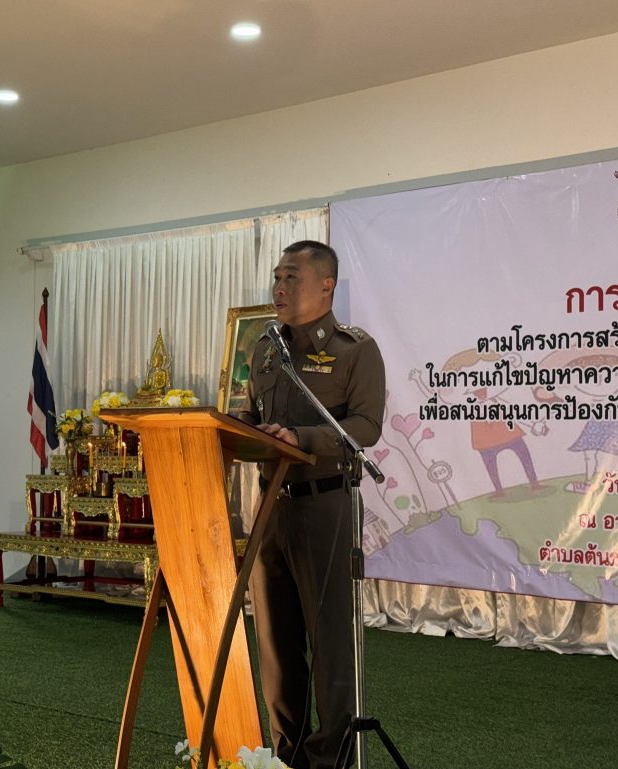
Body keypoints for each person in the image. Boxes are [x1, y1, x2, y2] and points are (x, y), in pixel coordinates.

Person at [238, 241, 385, 769]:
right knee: (276, 643)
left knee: (330, 644)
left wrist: (301, 439)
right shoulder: (264, 348)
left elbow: (366, 426)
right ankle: (287, 755)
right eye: (277, 277)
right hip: (271, 507)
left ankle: (331, 760)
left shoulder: (355, 350)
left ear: (326, 286)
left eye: (291, 278)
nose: (279, 287)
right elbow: (252, 417)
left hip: (325, 505)